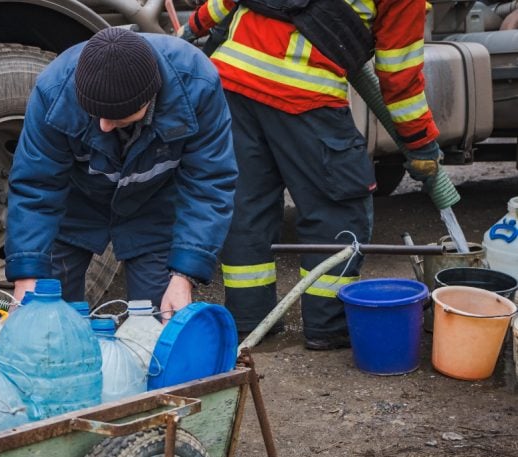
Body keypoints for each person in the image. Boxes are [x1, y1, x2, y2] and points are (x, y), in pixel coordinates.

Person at [181, 0, 442, 349]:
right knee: (338, 210)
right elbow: (398, 76)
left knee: (245, 208)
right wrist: (421, 143)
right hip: (305, 96)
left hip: (231, 85)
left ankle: (249, 319)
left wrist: (193, 27)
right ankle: (328, 323)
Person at [4, 27, 237, 319]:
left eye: (116, 118)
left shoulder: (196, 85)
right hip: (75, 203)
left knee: (155, 321)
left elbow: (209, 183)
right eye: (95, 113)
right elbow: (35, 186)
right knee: (46, 318)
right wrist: (27, 274)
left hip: (153, 204)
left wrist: (184, 276)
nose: (103, 126)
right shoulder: (54, 91)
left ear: (149, 98)